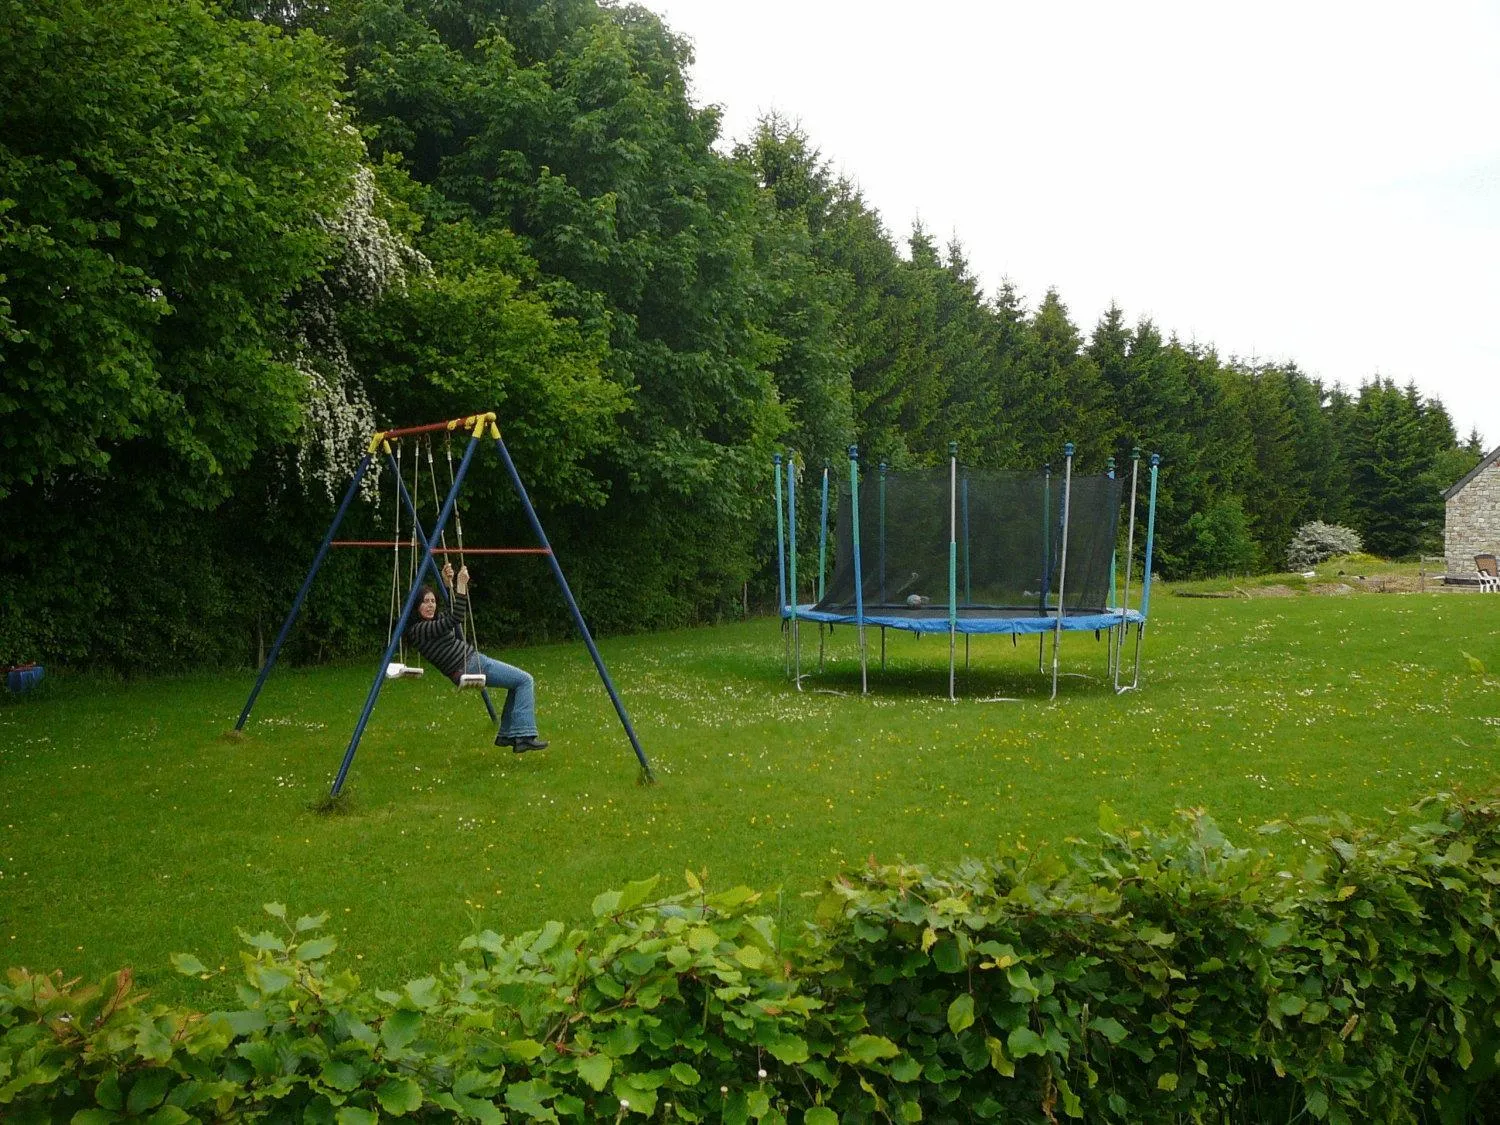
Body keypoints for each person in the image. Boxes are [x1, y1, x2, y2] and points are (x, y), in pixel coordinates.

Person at [405, 562, 549, 752]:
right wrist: (461, 586)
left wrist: (447, 584)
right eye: (425, 602)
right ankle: (524, 736)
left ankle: (508, 735)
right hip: (469, 665)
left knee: (516, 684)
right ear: (416, 606)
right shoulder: (420, 630)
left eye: (433, 601)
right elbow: (455, 618)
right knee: (525, 680)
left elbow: (449, 613)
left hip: (470, 663)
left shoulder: (431, 624)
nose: (430, 605)